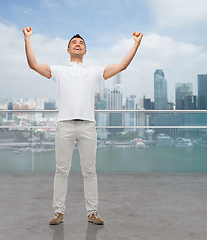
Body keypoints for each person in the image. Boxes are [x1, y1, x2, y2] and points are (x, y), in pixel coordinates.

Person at [23, 26, 143, 225]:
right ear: (68, 50)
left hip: (88, 126)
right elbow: (33, 64)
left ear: (85, 51)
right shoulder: (59, 71)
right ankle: (58, 213)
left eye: (81, 43)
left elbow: (121, 66)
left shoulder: (94, 71)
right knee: (61, 170)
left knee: (90, 171)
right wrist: (27, 38)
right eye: (73, 43)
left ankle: (92, 213)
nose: (77, 44)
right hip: (65, 125)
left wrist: (136, 44)